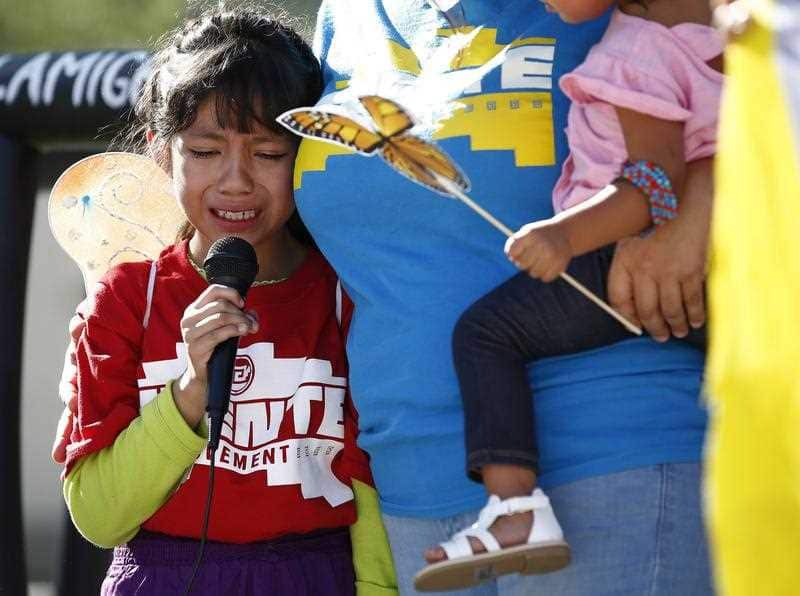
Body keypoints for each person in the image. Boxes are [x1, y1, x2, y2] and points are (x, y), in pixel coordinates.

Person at [290, 0, 714, 594]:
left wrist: (705, 198)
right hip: (417, 488)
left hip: (616, 454)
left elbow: (769, 91)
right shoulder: (344, 17)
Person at [53, 7, 394, 595]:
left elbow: (369, 488)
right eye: (207, 152)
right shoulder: (126, 299)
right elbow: (99, 516)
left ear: (309, 152)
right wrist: (188, 389)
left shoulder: (350, 294)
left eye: (268, 153)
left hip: (316, 575)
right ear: (163, 152)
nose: (236, 181)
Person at [412, 0, 720, 588]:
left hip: (625, 259)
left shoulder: (636, 51)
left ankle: (515, 512)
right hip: (726, 272)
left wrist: (563, 235)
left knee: (486, 333)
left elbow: (652, 185)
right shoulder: (729, 36)